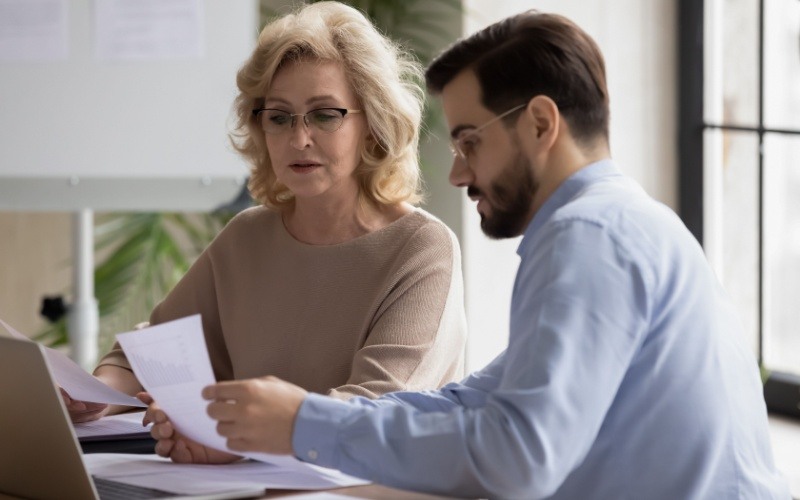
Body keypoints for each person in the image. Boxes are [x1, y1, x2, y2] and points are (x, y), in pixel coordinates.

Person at [147, 9, 791, 499]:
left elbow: (518, 456)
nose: (456, 174)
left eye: (469, 142)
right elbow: (477, 400)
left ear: (540, 126)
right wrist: (276, 426)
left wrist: (305, 426)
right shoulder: (620, 222)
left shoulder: (589, 239)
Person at [64, 0, 467, 433]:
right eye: (278, 117)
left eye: (325, 115)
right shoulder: (247, 236)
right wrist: (95, 396)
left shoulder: (422, 249)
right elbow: (148, 354)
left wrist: (225, 431)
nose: (299, 138)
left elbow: (373, 412)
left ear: (372, 123)